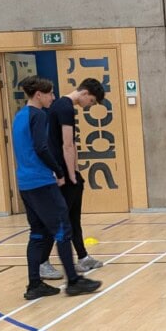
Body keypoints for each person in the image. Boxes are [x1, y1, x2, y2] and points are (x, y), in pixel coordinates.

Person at [11, 76, 101, 300]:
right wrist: (59, 172)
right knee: (63, 230)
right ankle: (73, 281)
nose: (53, 97)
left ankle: (34, 285)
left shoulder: (19, 116)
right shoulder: (38, 115)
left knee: (38, 233)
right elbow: (42, 148)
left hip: (24, 183)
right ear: (39, 95)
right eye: (50, 93)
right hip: (42, 181)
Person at [39, 77, 106, 281]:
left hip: (67, 171)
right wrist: (70, 175)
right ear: (85, 93)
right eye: (92, 101)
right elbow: (66, 145)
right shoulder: (65, 108)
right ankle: (42, 262)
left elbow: (72, 144)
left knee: (73, 218)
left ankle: (83, 257)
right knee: (61, 220)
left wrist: (76, 170)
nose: (90, 106)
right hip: (62, 174)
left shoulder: (64, 106)